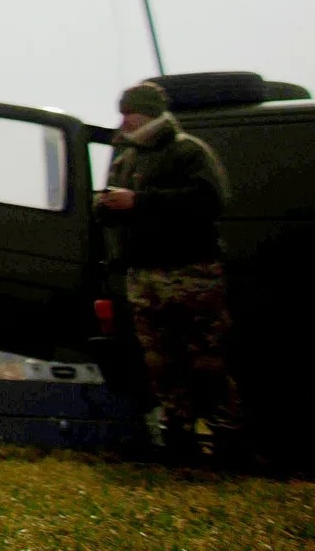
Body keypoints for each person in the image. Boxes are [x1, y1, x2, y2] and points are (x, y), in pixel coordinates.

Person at [95, 79, 243, 462]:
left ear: (151, 113)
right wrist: (107, 206)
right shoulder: (127, 158)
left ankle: (225, 433)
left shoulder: (188, 152)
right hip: (144, 275)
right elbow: (115, 209)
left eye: (133, 112)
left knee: (205, 357)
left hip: (190, 272)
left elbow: (209, 200)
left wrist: (140, 202)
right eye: (123, 112)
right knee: (160, 360)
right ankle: (178, 432)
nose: (126, 120)